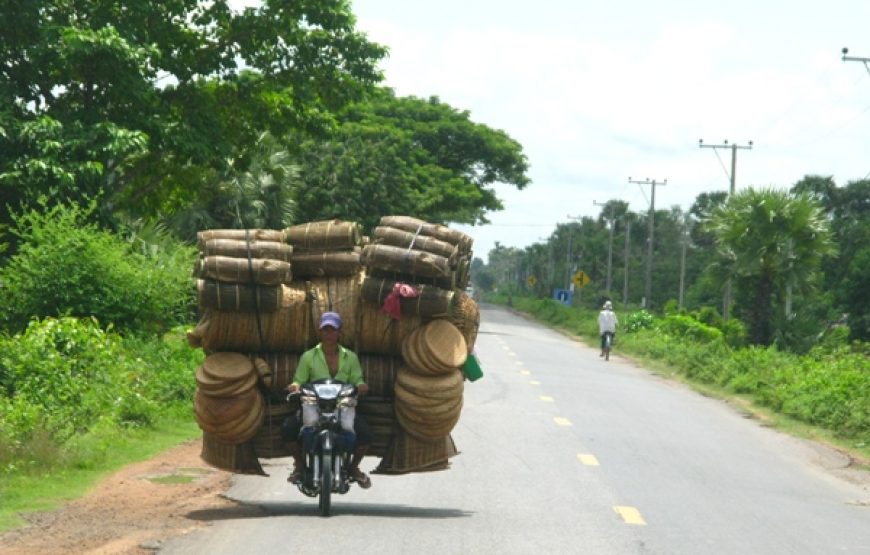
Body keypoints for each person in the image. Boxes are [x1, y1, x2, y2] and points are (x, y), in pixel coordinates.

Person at [282, 311, 372, 489]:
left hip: (343, 405)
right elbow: (299, 379)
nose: (329, 334)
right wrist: (294, 386)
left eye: (332, 330)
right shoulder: (308, 356)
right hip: (314, 404)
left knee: (366, 433)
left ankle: (353, 467)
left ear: (339, 332)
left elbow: (357, 379)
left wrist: (361, 386)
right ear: (320, 332)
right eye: (325, 330)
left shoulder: (350, 357)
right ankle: (299, 465)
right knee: (288, 428)